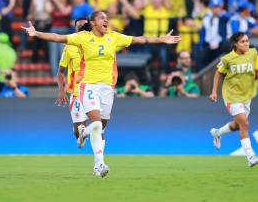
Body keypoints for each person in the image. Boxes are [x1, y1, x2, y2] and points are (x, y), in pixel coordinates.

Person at [22, 10, 180, 177]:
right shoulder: (83, 37)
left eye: (107, 18)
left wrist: (161, 39)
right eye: (102, 18)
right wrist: (36, 33)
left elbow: (139, 40)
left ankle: (93, 154)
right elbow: (56, 37)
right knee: (96, 124)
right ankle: (100, 164)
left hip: (107, 89)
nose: (106, 20)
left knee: (101, 129)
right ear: (93, 23)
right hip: (88, 86)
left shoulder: (114, 36)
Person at [209, 32, 258, 168]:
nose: (246, 43)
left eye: (247, 41)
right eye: (243, 41)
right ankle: (250, 156)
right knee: (245, 124)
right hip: (232, 96)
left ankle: (217, 133)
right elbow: (218, 73)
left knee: (238, 126)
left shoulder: (253, 53)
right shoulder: (227, 59)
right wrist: (214, 91)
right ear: (235, 44)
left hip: (246, 95)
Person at [56, 17, 90, 148]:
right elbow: (60, 72)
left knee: (98, 123)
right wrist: (61, 91)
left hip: (93, 90)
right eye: (79, 27)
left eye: (84, 26)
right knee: (78, 131)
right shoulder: (69, 47)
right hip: (76, 92)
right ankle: (81, 132)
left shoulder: (95, 44)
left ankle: (99, 157)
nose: (81, 29)